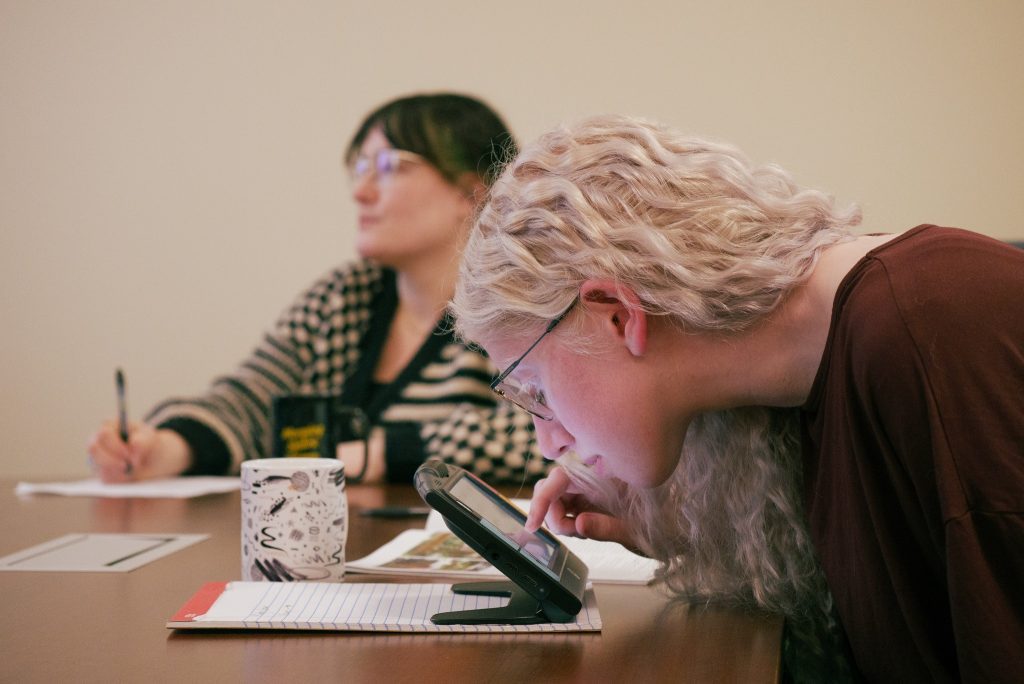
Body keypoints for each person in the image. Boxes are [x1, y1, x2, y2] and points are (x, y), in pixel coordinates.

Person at [451, 115, 1024, 683]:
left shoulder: (936, 327)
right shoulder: (800, 381)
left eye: (535, 393)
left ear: (619, 315)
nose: (549, 443)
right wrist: (680, 522)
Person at [88, 93, 544, 486]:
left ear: (472, 193)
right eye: (359, 169)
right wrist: (166, 448)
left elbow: (557, 437)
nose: (360, 192)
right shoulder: (345, 296)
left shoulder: (522, 301)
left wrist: (382, 453)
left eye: (387, 166)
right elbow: (250, 401)